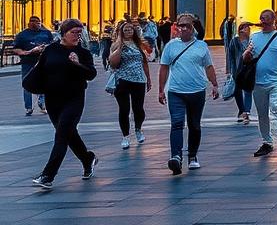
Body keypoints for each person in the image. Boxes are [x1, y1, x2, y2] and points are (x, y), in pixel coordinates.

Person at [30, 18, 99, 190]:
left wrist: (77, 64)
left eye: (79, 32)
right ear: (63, 33)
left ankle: (48, 175)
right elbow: (41, 70)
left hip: (74, 99)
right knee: (69, 135)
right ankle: (87, 158)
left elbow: (91, 74)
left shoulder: (83, 53)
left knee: (61, 136)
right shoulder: (50, 50)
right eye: (73, 32)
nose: (77, 36)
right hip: (53, 99)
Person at [158, 13, 219, 174]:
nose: (183, 28)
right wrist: (160, 90)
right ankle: (176, 157)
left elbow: (209, 67)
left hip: (197, 90)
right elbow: (164, 67)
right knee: (177, 123)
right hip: (176, 91)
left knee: (194, 125)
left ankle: (192, 156)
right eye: (181, 25)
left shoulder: (201, 46)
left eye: (187, 25)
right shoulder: (171, 46)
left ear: (193, 28)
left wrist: (214, 84)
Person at [243, 9, 277, 159]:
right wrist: (246, 55)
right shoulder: (254, 37)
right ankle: (267, 142)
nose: (262, 21)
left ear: (273, 20)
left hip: (276, 80)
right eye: (261, 18)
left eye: (265, 18)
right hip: (258, 81)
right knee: (262, 113)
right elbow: (247, 58)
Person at [108, 19, 152, 148]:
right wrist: (120, 49)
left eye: (130, 29)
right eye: (125, 30)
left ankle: (138, 129)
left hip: (138, 80)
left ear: (134, 31)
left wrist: (148, 79)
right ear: (121, 32)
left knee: (138, 109)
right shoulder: (116, 45)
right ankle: (125, 136)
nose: (128, 31)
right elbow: (113, 64)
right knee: (124, 109)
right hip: (123, 79)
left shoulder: (138, 45)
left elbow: (144, 62)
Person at [12, 14, 52, 116]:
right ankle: (28, 107)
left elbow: (52, 45)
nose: (36, 23)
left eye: (38, 22)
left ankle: (42, 102)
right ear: (29, 23)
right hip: (27, 62)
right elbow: (16, 48)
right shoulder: (22, 35)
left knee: (45, 82)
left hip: (43, 62)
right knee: (26, 84)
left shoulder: (46, 33)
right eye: (33, 21)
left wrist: (44, 48)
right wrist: (27, 52)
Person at [227, 21, 253, 123]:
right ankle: (241, 109)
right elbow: (230, 56)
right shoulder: (234, 41)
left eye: (247, 28)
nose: (246, 30)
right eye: (244, 28)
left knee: (248, 91)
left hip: (249, 70)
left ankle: (246, 112)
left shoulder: (252, 40)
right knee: (237, 91)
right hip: (237, 70)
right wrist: (229, 70)